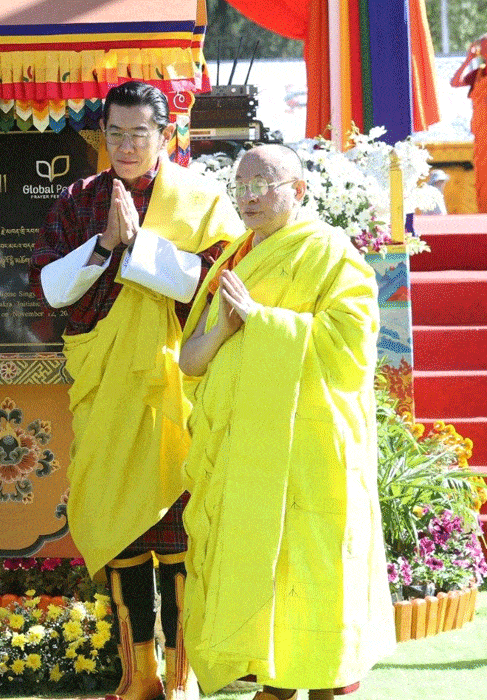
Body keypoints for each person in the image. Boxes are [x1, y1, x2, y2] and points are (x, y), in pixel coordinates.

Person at [29, 80, 243, 700]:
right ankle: (138, 675)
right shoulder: (79, 200)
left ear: (166, 136)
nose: (126, 145)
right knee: (119, 527)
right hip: (106, 388)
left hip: (176, 384)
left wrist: (140, 247)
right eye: (115, 133)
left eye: (139, 134)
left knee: (178, 533)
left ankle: (182, 676)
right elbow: (47, 289)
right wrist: (102, 244)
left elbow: (217, 281)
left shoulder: (200, 200)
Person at [178, 144, 396, 699]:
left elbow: (350, 346)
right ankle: (273, 678)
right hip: (246, 451)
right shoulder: (234, 256)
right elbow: (191, 358)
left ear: (298, 191)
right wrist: (228, 328)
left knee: (314, 568)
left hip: (310, 449)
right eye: (241, 186)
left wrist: (261, 320)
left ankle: (319, 678)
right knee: (259, 569)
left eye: (263, 185)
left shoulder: (331, 253)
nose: (248, 197)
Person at [452, 33, 487, 213]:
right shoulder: (478, 73)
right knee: (483, 177)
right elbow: (455, 82)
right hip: (482, 135)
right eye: (484, 47)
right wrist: (468, 60)